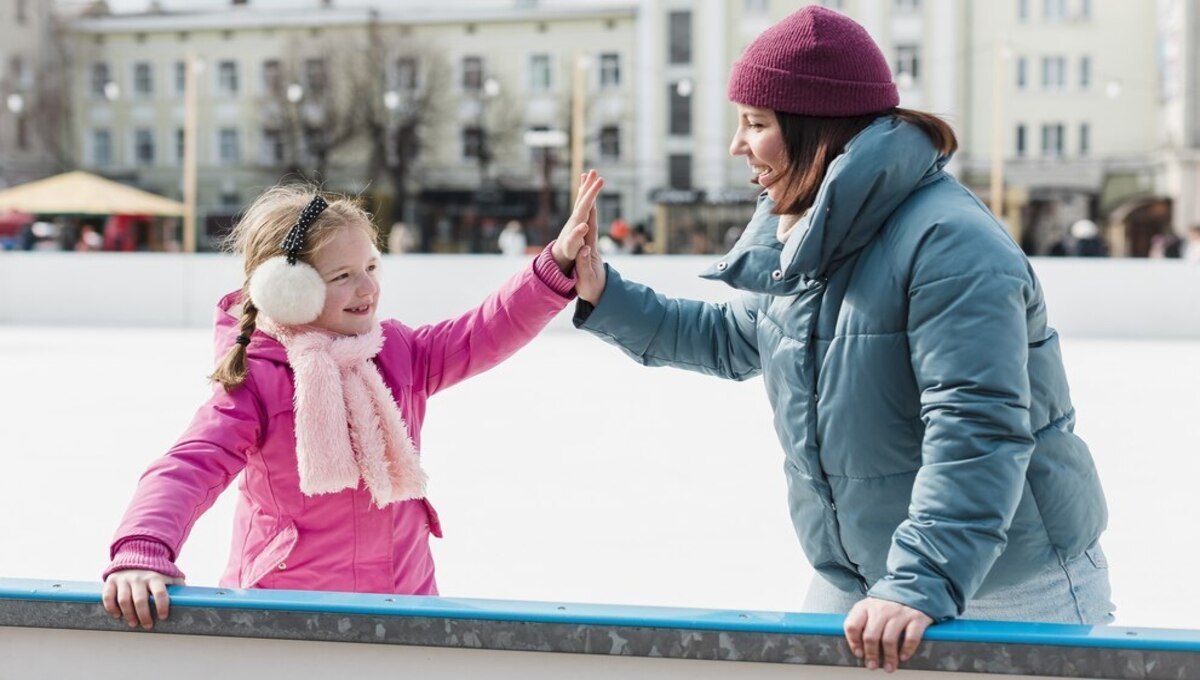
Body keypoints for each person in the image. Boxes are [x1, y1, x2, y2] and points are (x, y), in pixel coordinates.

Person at [569, 7, 1111, 674]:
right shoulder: (807, 233)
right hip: (865, 577)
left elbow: (976, 426)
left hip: (1006, 583)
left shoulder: (950, 243)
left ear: (816, 128)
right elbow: (739, 337)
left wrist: (921, 578)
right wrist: (604, 295)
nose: (738, 144)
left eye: (757, 123)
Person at [102, 171, 606, 630]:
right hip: (287, 615)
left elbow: (483, 331)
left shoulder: (397, 353)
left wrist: (555, 263)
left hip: (405, 607)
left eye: (370, 266)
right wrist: (143, 550)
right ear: (287, 289)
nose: (367, 287)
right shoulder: (259, 379)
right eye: (341, 275)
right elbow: (189, 465)